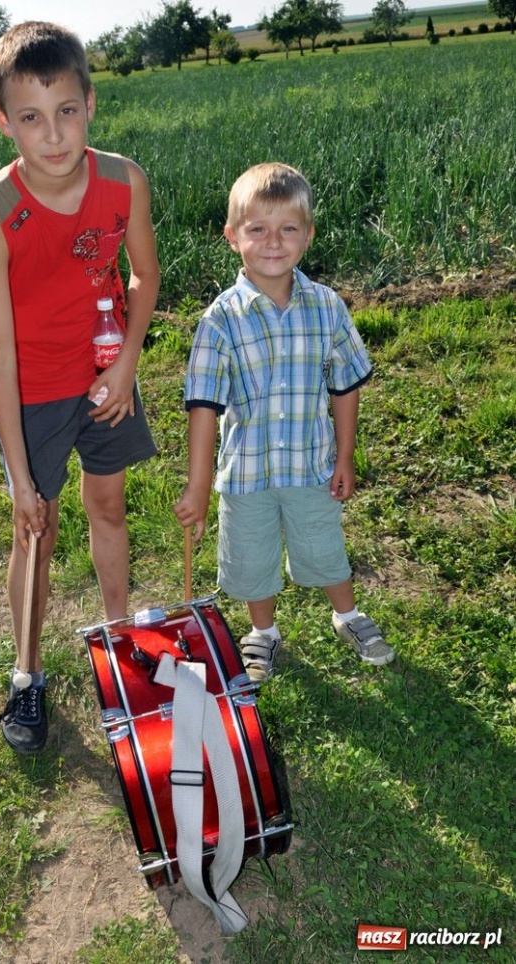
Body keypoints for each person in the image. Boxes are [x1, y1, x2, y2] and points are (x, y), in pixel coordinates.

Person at [0, 22, 160, 752]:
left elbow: (143, 276)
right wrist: (19, 475)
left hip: (106, 374)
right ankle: (27, 674)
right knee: (35, 530)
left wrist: (125, 363)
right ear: (3, 121)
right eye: (29, 118)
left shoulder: (122, 180)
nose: (52, 135)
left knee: (106, 504)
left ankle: (117, 644)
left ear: (89, 102)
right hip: (34, 391)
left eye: (66, 111)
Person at [174, 162, 394, 681]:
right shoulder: (221, 319)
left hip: (311, 464)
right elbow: (204, 404)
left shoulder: (326, 307)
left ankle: (347, 615)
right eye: (258, 229)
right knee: (252, 559)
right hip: (247, 473)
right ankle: (263, 633)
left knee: (322, 543)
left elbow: (345, 384)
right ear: (233, 237)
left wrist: (344, 457)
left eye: (288, 228)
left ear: (308, 234)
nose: (274, 242)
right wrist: (200, 485)